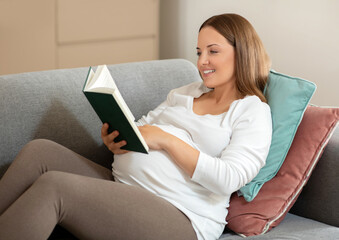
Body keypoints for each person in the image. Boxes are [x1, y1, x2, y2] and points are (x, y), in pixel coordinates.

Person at [0, 13, 272, 240]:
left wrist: (166, 140)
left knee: (55, 186)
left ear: (242, 53)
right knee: (40, 151)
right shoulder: (185, 92)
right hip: (127, 187)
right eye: (199, 52)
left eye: (213, 51)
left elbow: (229, 178)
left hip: (182, 215)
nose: (202, 62)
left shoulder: (252, 111)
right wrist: (117, 140)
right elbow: (141, 128)